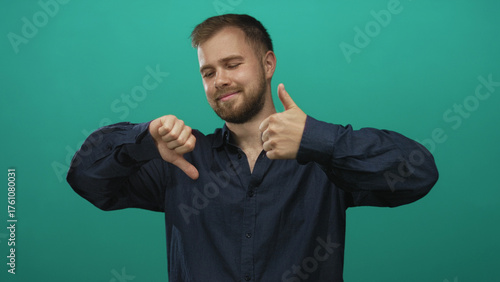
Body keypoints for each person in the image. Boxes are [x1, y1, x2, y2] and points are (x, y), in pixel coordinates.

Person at [67, 14, 438, 282]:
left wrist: (317, 139)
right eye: (208, 72)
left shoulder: (325, 160)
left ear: (268, 64)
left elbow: (418, 172)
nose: (220, 80)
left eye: (232, 64)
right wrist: (143, 140)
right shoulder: (179, 159)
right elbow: (85, 178)